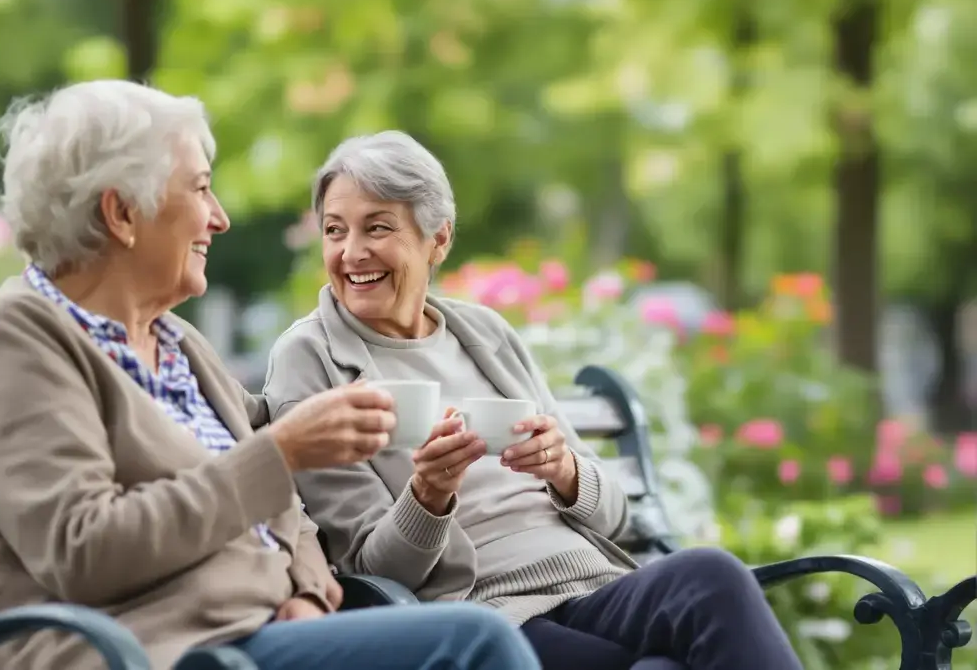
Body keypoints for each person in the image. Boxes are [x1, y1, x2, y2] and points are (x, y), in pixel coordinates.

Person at [0, 82, 542, 670]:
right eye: (198, 190)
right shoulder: (15, 341)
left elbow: (291, 515)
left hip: (251, 639)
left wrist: (307, 596)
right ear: (121, 212)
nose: (218, 217)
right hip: (148, 653)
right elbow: (84, 550)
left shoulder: (177, 343)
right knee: (470, 647)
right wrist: (281, 452)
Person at [263, 131, 805, 670]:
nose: (351, 252)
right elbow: (371, 574)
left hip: (593, 583)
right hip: (484, 612)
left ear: (438, 240)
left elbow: (617, 517)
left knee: (712, 576)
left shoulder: (484, 334)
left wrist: (565, 469)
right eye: (335, 231)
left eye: (377, 228)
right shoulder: (311, 359)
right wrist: (427, 495)